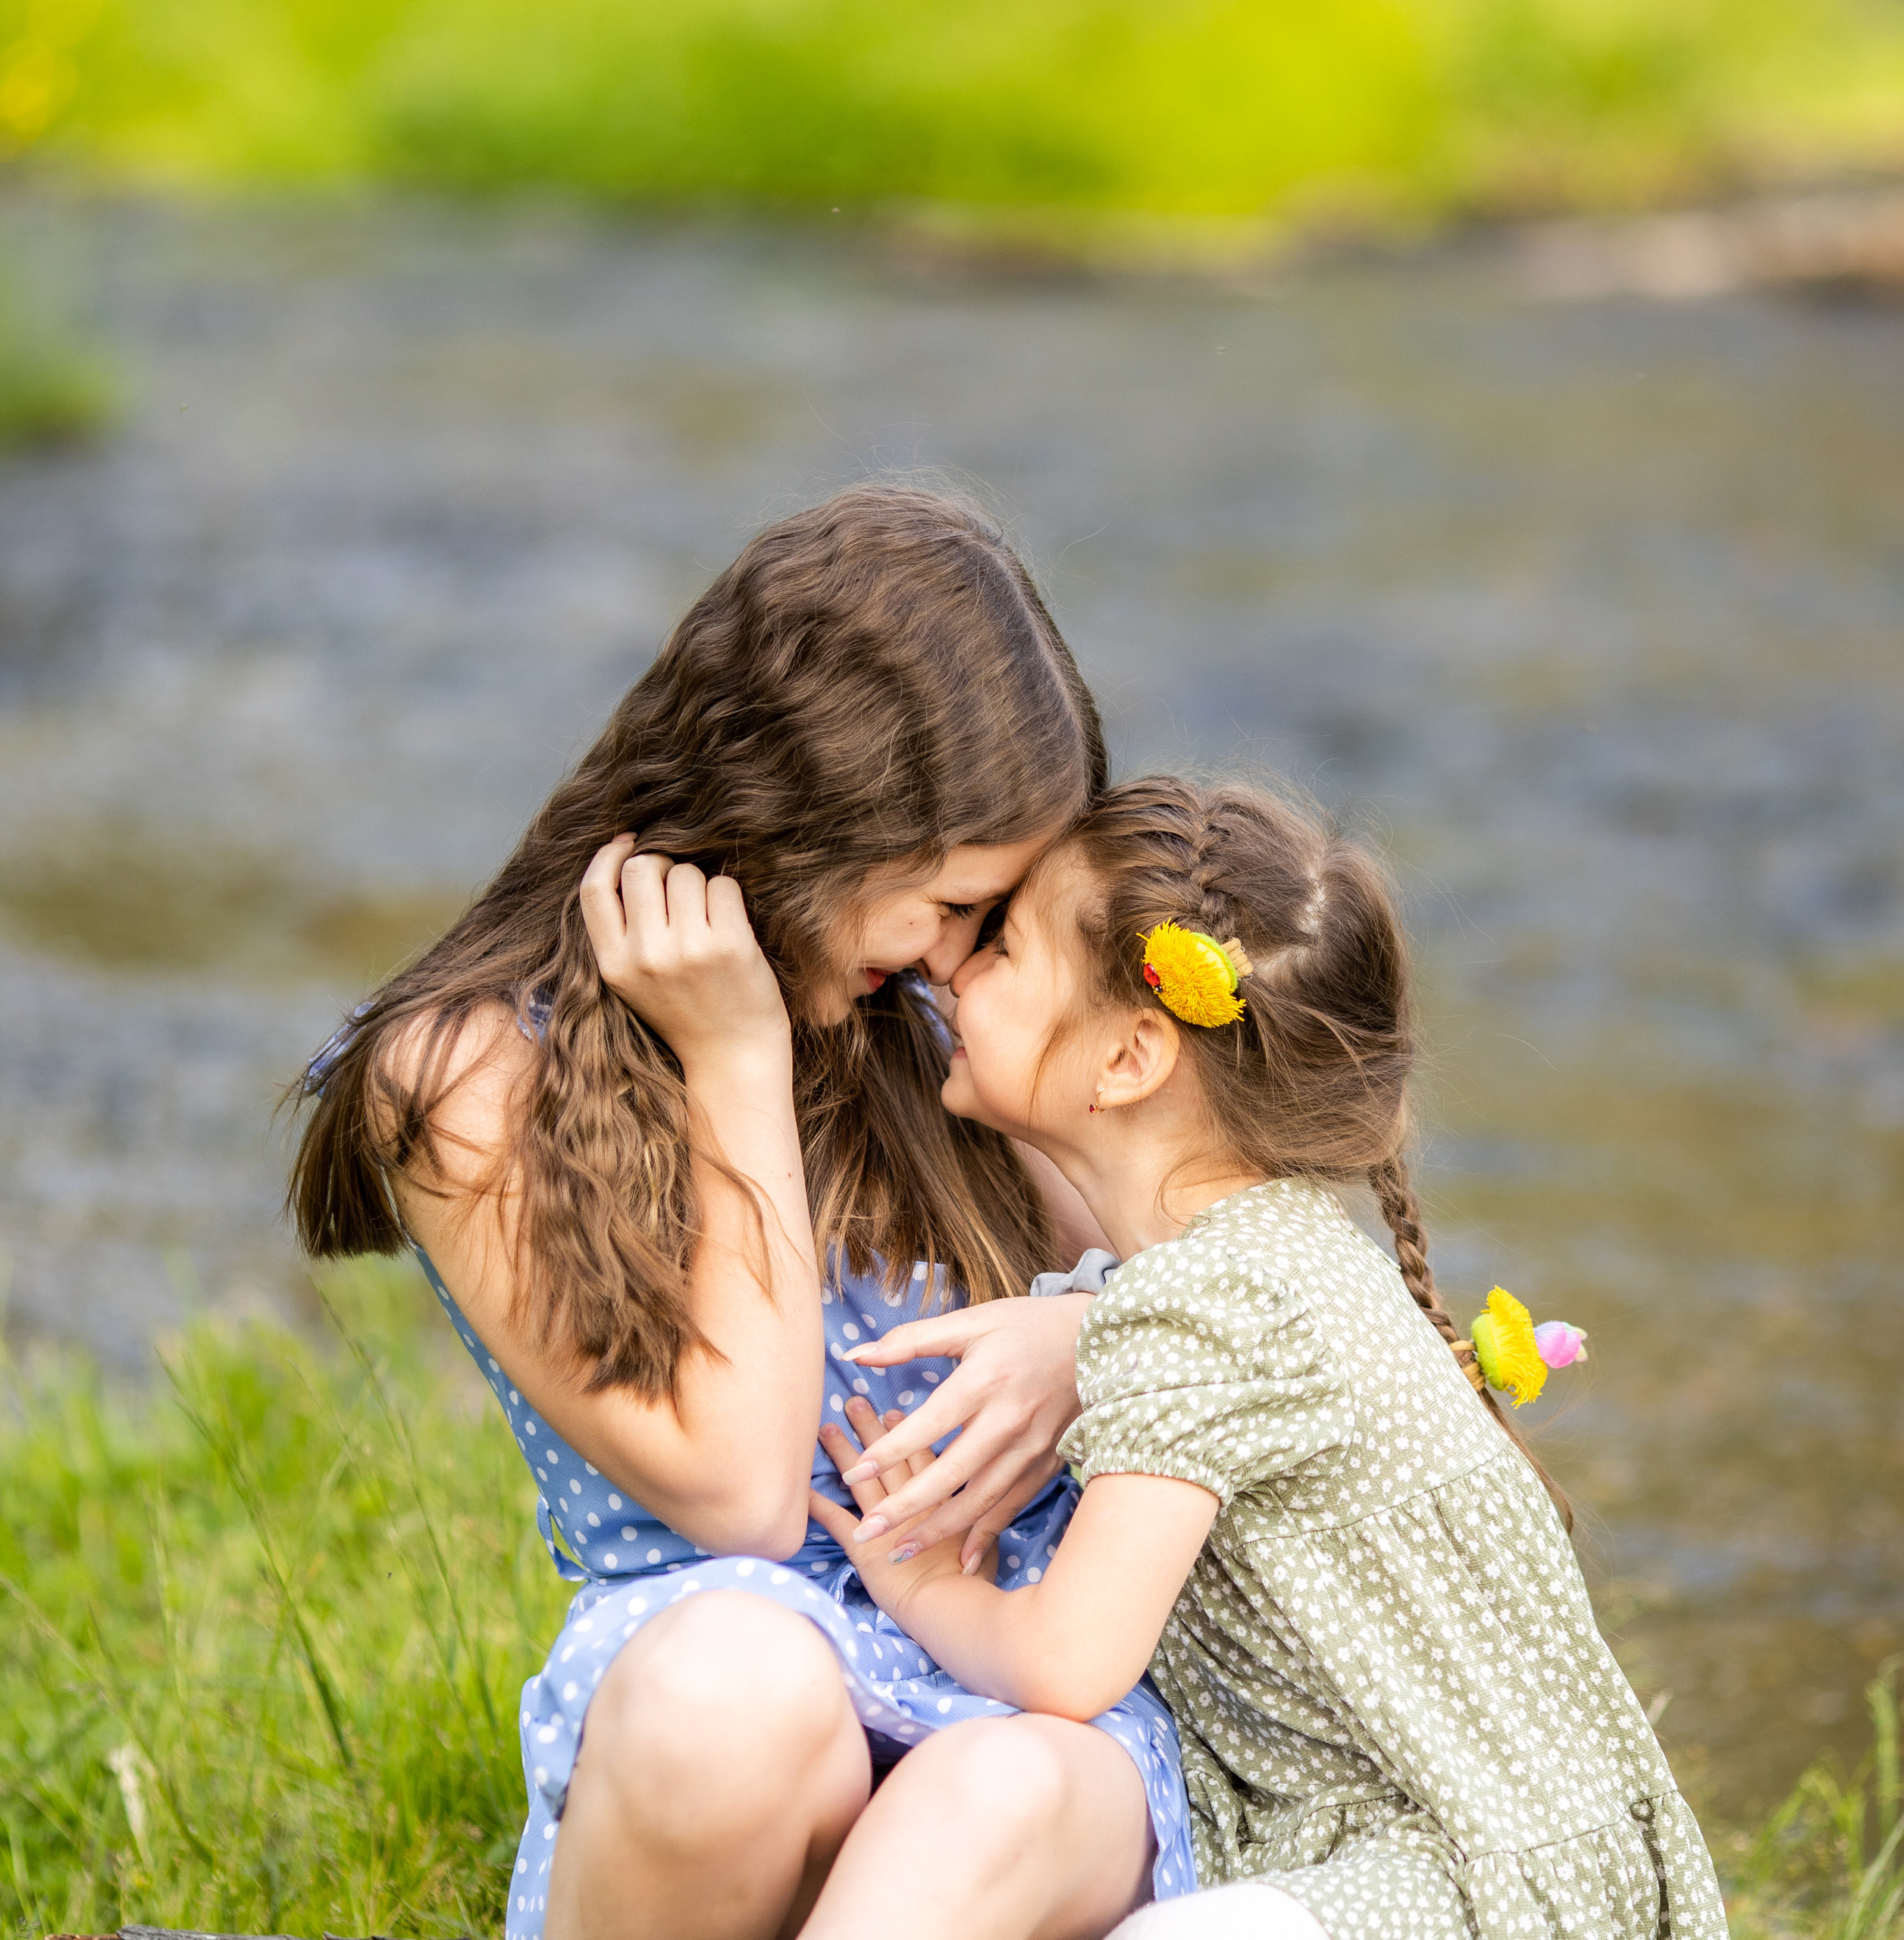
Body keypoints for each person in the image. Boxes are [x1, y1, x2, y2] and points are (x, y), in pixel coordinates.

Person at [287, 487, 1195, 1940]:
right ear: (819, 818)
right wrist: (736, 1060)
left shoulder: (940, 1020)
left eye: (997, 917)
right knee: (740, 1690)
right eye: (954, 903)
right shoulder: (470, 1079)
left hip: (1010, 1703)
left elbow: (1250, 1273)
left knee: (1007, 1786)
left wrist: (1086, 1327)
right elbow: (743, 1495)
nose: (960, 959)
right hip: (721, 1729)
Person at [810, 775, 1731, 1940]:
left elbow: (1069, 1664)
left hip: (1474, 1881)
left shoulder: (1201, 1301)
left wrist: (929, 1585)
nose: (953, 968)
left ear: (1132, 1057)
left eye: (1004, 947)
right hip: (1511, 1846)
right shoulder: (1287, 1249)